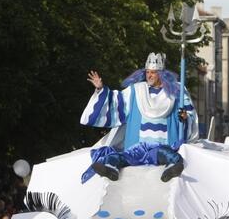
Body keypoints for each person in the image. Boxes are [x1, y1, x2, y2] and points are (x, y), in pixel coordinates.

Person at [81, 52, 198, 182]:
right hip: (137, 147)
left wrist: (185, 117)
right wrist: (101, 89)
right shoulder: (136, 91)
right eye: (147, 72)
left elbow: (189, 115)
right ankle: (110, 168)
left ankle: (171, 168)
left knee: (167, 154)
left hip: (161, 145)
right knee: (119, 157)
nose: (149, 75)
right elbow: (116, 102)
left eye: (153, 72)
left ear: (161, 74)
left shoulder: (177, 91)